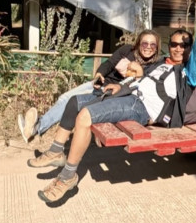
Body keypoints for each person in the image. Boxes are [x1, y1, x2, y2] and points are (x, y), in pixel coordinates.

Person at [26, 0, 196, 203]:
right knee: (75, 101)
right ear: (169, 45)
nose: (178, 48)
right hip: (128, 95)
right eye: (174, 44)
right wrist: (121, 86)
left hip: (141, 108)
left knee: (84, 116)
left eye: (184, 45)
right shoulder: (160, 63)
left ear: (189, 48)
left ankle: (67, 177)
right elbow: (140, 80)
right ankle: (56, 151)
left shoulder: (189, 73)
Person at [17, 29, 162, 143]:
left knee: (71, 102)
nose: (148, 48)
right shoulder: (127, 50)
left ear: (156, 48)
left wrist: (140, 72)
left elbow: (142, 88)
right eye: (145, 43)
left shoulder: (155, 66)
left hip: (114, 95)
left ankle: (37, 128)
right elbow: (109, 63)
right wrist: (99, 74)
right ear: (138, 44)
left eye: (152, 45)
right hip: (101, 84)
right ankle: (36, 127)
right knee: (64, 98)